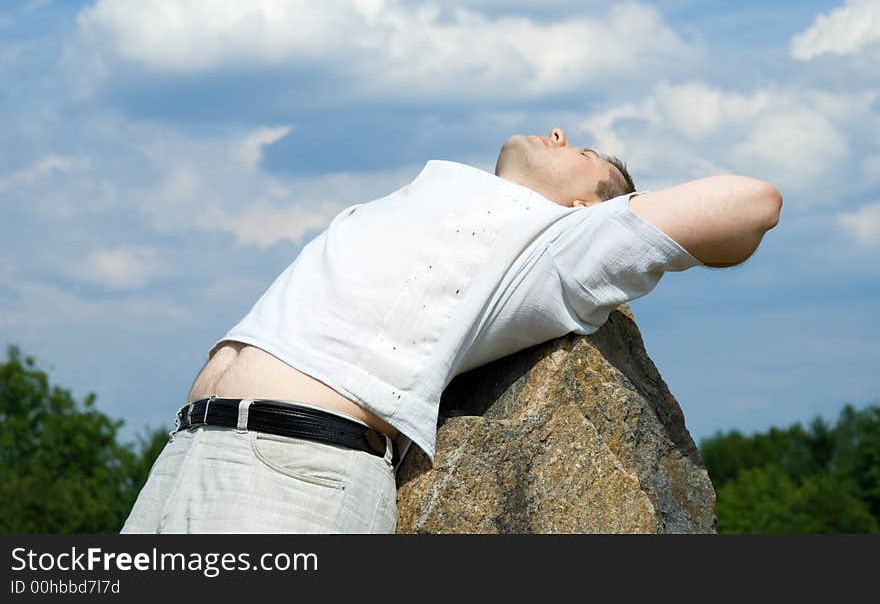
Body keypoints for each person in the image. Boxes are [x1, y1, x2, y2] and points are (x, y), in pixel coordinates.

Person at [120, 127, 782, 534]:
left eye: (582, 151)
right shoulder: (441, 199)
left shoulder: (555, 246)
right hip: (187, 454)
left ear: (589, 207)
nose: (558, 132)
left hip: (291, 473)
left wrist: (622, 216)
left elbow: (755, 202)